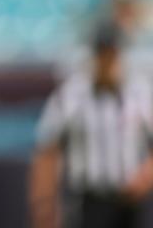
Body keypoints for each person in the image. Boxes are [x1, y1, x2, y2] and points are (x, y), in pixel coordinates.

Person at [29, 23, 153, 228]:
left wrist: (147, 175)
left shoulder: (139, 93)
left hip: (134, 202)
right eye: (103, 55)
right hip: (90, 201)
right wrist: (44, 204)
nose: (108, 62)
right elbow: (47, 151)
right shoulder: (71, 95)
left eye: (113, 54)